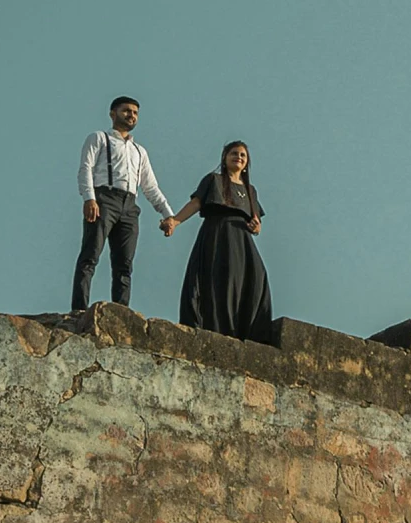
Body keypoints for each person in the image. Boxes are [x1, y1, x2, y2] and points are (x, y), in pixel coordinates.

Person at [74, 96, 177, 312]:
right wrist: (89, 198)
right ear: (113, 113)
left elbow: (150, 187)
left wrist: (169, 215)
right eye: (126, 111)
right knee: (90, 256)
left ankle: (120, 313)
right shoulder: (99, 138)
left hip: (130, 205)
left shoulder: (139, 151)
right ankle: (79, 309)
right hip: (104, 198)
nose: (131, 115)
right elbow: (86, 168)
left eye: (135, 113)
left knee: (124, 265)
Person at [164, 140, 273, 341]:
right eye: (234, 153)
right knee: (218, 280)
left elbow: (256, 221)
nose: (238, 157)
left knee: (254, 279)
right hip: (217, 234)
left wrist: (256, 228)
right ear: (225, 157)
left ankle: (246, 332)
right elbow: (196, 203)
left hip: (242, 241)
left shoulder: (251, 190)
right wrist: (175, 221)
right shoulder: (213, 180)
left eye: (242, 155)